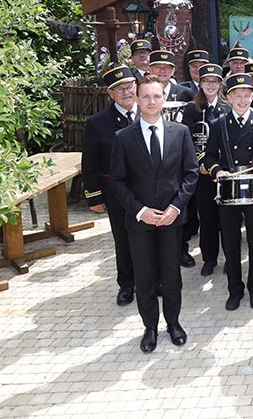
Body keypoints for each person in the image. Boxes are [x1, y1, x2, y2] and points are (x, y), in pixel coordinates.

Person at [109, 76, 199, 353]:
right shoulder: (123, 137)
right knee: (145, 276)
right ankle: (150, 326)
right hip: (140, 222)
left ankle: (173, 323)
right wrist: (140, 211)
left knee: (171, 275)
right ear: (137, 99)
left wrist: (175, 207)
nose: (151, 102)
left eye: (156, 96)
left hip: (172, 220)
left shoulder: (180, 132)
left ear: (164, 100)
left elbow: (191, 173)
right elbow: (117, 181)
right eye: (145, 96)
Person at [202, 74, 253, 311]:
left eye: (247, 95)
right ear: (229, 97)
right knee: (231, 244)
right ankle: (234, 290)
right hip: (228, 191)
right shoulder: (218, 124)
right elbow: (210, 156)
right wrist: (218, 172)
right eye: (238, 95)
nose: (243, 99)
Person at [82, 66, 140, 305]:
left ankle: (153, 281)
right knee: (123, 238)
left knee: (152, 236)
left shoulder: (150, 113)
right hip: (115, 191)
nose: (126, 92)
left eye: (129, 86)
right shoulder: (98, 123)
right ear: (111, 93)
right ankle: (127, 284)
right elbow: (90, 162)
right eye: (119, 88)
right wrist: (94, 197)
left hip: (148, 189)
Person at [180, 64, 231, 275]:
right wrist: (202, 164)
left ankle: (230, 259)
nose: (211, 85)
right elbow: (187, 140)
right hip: (202, 173)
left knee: (227, 220)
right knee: (207, 219)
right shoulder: (192, 109)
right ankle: (209, 259)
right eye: (206, 81)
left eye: (215, 81)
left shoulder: (228, 108)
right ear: (200, 84)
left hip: (224, 173)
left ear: (220, 84)